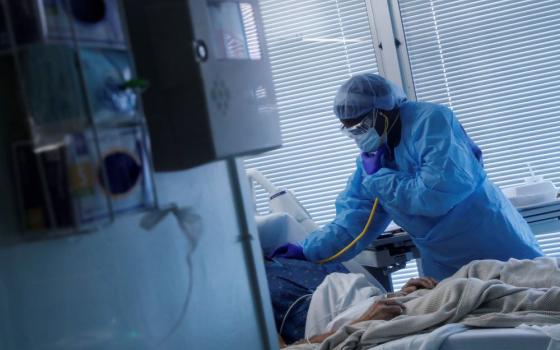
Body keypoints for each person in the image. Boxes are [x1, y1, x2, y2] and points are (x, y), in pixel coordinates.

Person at [273, 73, 543, 280]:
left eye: (362, 126)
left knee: (536, 316)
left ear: (384, 110)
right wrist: (307, 250)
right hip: (446, 264)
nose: (358, 135)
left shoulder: (431, 122)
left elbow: (438, 194)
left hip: (495, 244)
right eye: (351, 130)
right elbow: (352, 224)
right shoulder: (372, 163)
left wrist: (379, 178)